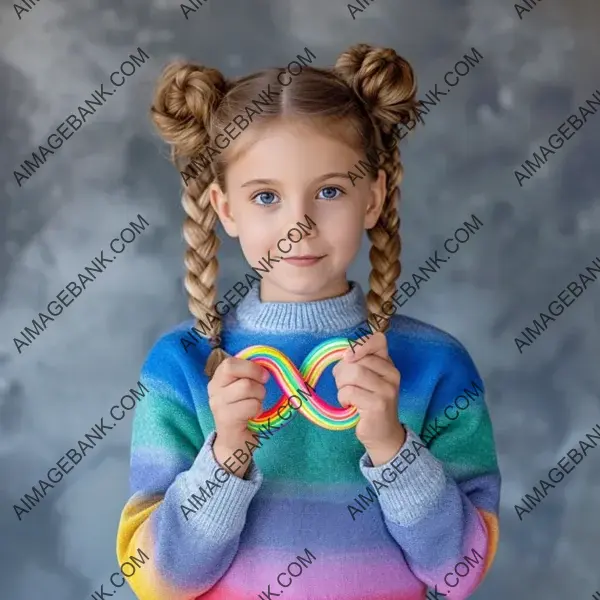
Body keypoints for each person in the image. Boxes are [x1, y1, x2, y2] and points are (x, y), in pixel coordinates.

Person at [115, 43, 501, 600]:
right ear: (226, 211)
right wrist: (225, 459)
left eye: (329, 191)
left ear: (373, 198)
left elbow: (458, 573)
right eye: (266, 196)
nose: (299, 224)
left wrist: (393, 447)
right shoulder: (179, 369)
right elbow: (157, 582)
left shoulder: (436, 366)